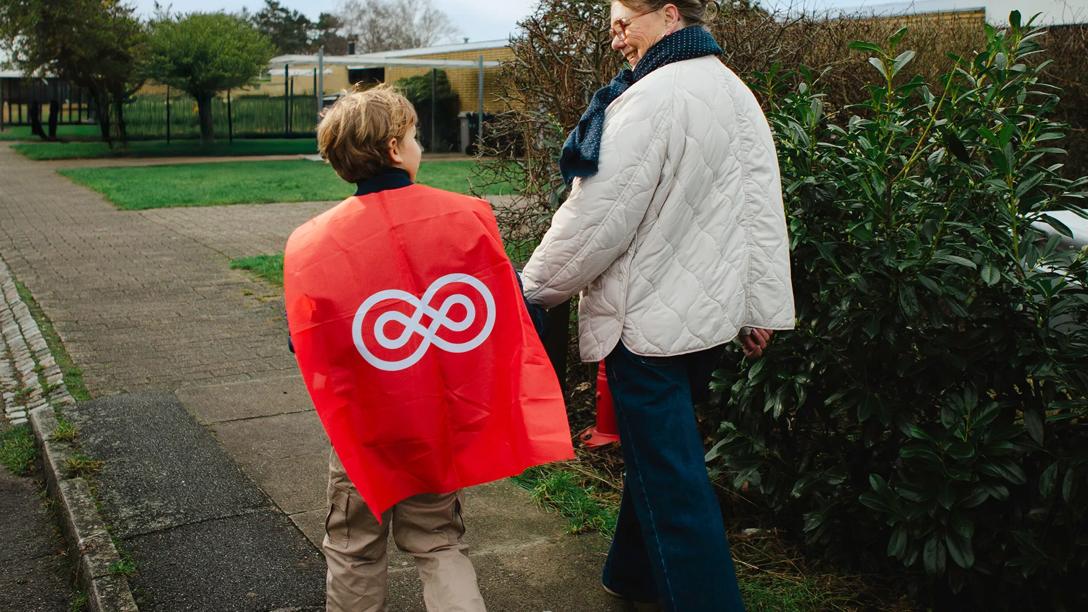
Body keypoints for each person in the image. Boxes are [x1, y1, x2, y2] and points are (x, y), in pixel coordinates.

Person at [521, 1, 796, 611]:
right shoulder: (735, 92)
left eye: (625, 23)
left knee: (675, 485)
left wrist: (531, 288)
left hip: (645, 327)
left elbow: (595, 222)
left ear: (670, 15)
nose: (617, 38)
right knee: (662, 459)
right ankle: (632, 576)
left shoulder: (649, 99)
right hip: (708, 322)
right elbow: (760, 211)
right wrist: (758, 306)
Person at [307, 85, 487, 612]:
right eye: (414, 137)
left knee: (353, 546)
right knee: (439, 541)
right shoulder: (465, 219)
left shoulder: (317, 243)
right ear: (393, 149)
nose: (419, 147)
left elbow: (309, 343)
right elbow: (492, 315)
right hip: (432, 423)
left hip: (361, 430)